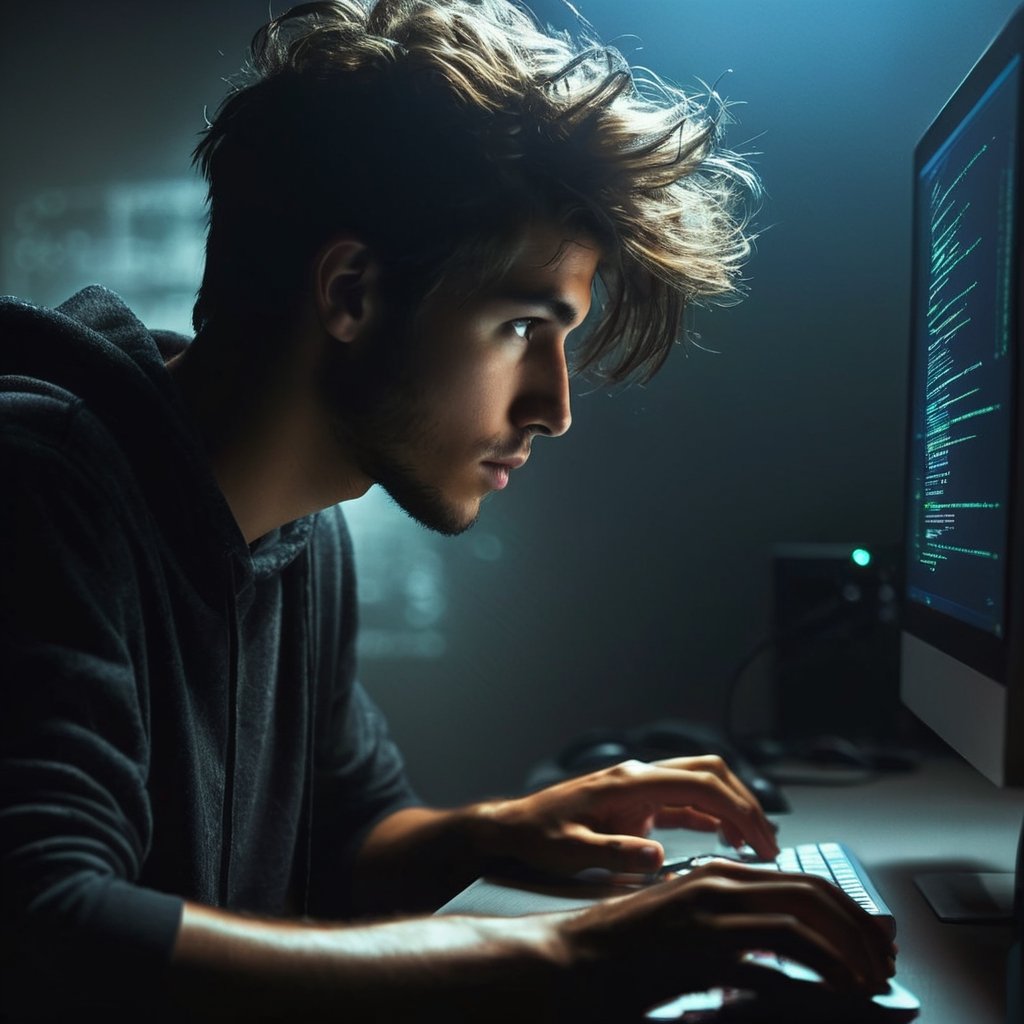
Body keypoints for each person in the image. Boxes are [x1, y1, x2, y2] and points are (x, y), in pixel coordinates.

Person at [0, 1, 896, 1020]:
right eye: (522, 324)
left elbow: (350, 837)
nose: (553, 408)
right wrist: (567, 955)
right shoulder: (37, 484)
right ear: (351, 292)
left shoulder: (304, 533)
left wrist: (498, 830)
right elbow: (45, 928)